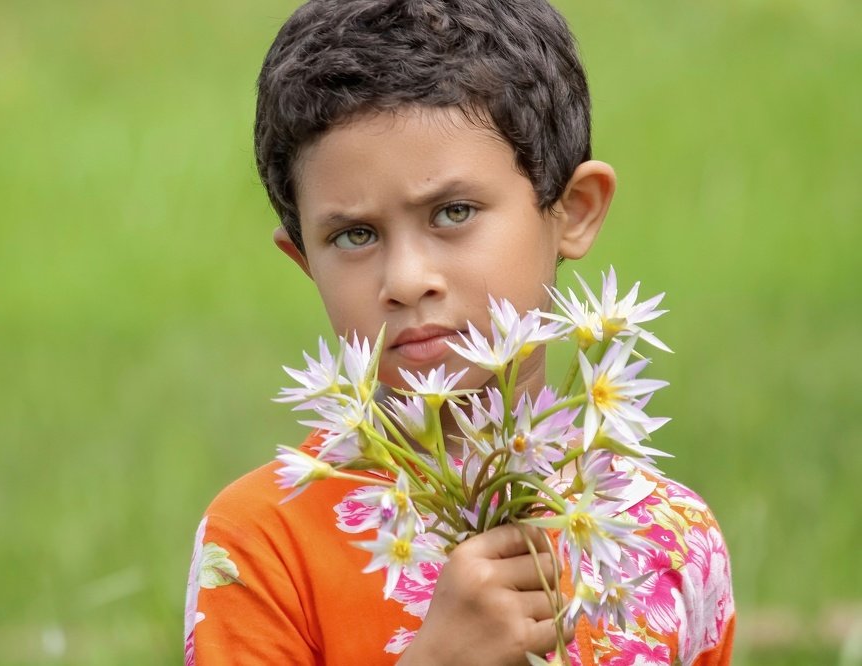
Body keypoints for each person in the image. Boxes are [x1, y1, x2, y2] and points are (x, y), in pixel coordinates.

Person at [184, 1, 736, 664]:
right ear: (305, 260)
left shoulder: (672, 540)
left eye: (453, 212)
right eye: (354, 235)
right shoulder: (261, 544)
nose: (406, 280)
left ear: (573, 212)